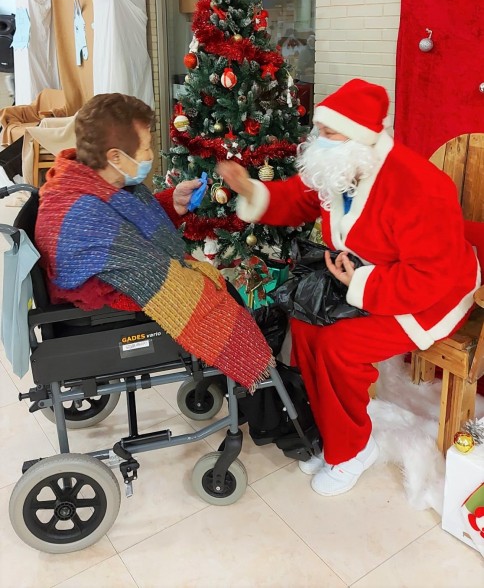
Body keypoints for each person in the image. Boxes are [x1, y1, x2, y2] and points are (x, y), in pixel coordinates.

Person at [218, 78, 480, 496]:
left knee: (339, 347)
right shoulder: (341, 166)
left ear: (361, 138)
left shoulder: (418, 185)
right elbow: (301, 197)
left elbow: (433, 276)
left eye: (330, 133)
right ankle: (331, 433)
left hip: (431, 296)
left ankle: (354, 450)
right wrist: (252, 190)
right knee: (305, 327)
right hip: (365, 278)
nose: (319, 140)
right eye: (320, 130)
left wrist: (360, 281)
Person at [35, 93, 272, 391]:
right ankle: (258, 390)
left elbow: (127, 224)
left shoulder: (90, 179)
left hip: (108, 285)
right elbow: (150, 270)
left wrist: (173, 202)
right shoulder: (85, 215)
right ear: (115, 157)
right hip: (98, 310)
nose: (149, 155)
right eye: (145, 147)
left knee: (221, 290)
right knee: (217, 297)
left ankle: (243, 385)